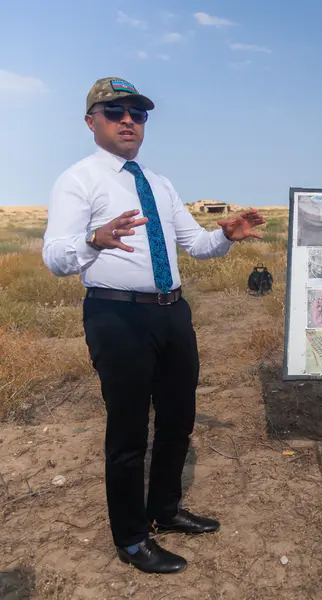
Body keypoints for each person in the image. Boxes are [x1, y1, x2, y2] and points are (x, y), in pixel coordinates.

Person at [42, 77, 265, 574]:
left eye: (137, 114)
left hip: (172, 311)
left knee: (178, 417)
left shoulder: (159, 182)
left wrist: (226, 235)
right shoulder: (78, 180)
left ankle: (164, 509)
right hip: (117, 314)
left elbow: (196, 245)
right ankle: (131, 537)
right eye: (115, 111)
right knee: (128, 431)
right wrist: (94, 241)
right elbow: (55, 257)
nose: (128, 120)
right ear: (91, 121)